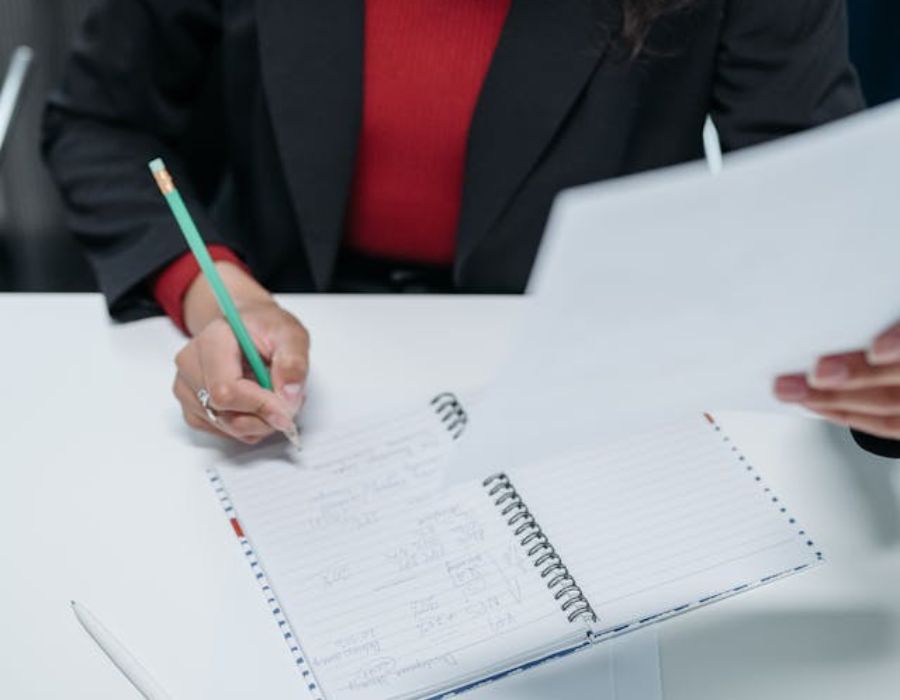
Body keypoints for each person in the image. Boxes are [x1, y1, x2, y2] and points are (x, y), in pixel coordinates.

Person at [42, 0, 900, 456]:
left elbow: (813, 200)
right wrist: (210, 290)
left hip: (603, 391)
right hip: (306, 369)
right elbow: (102, 123)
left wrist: (875, 370)